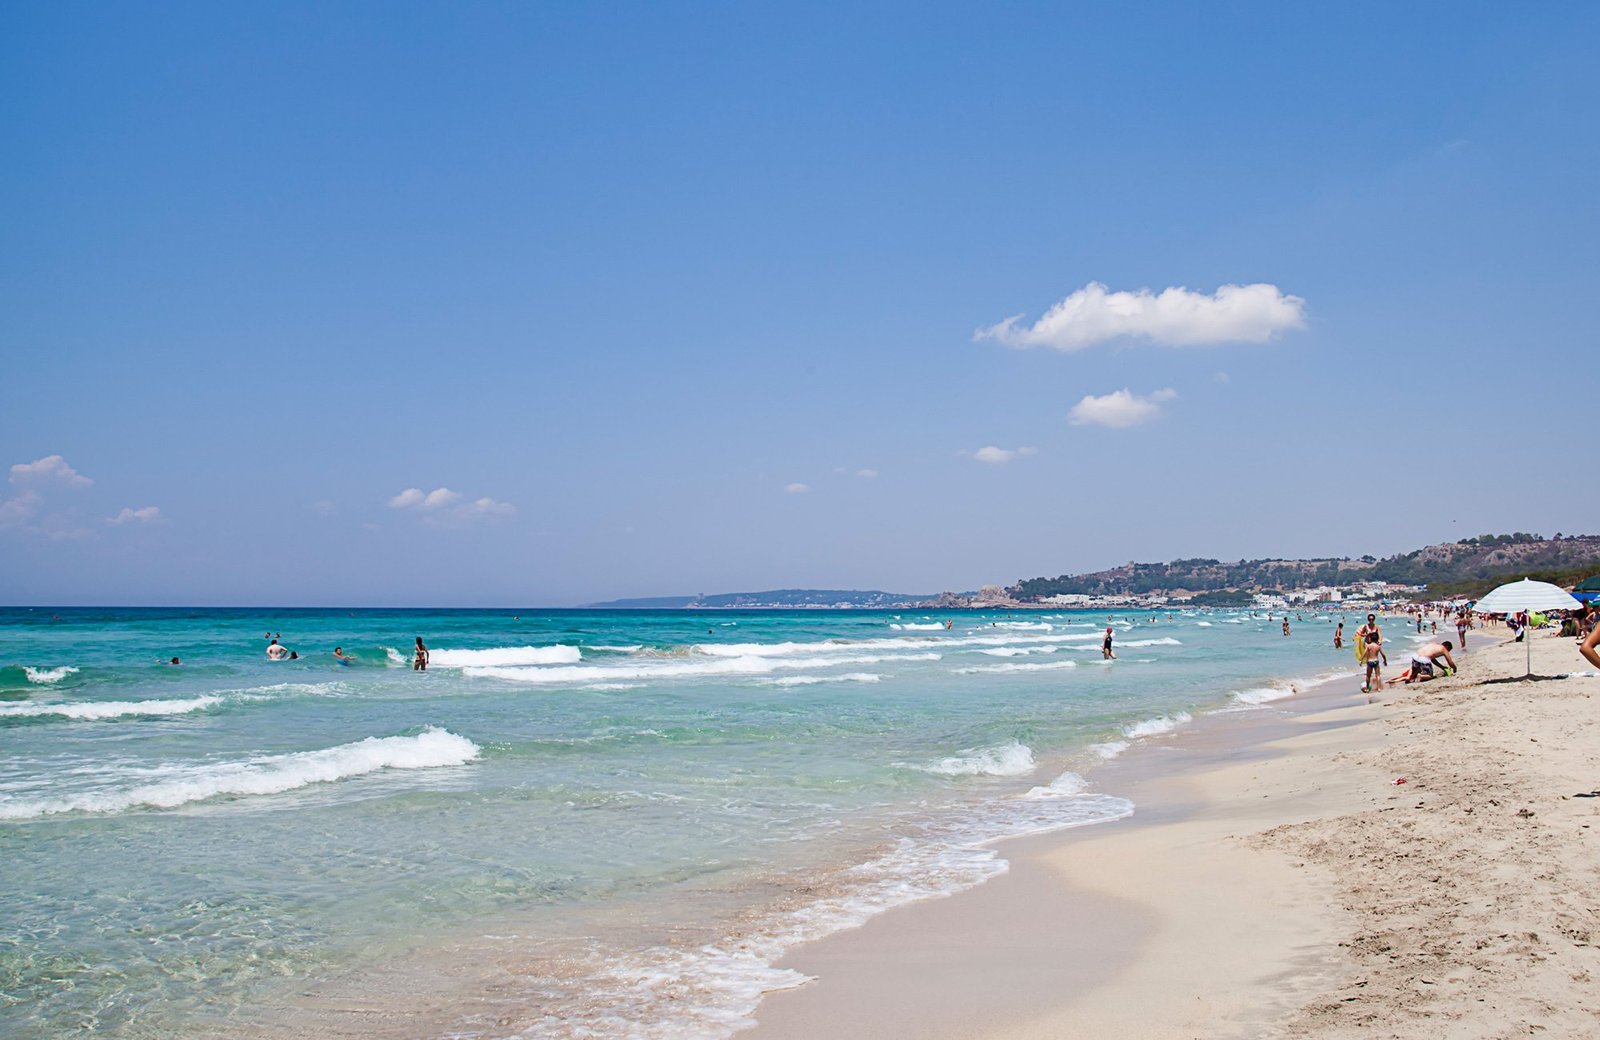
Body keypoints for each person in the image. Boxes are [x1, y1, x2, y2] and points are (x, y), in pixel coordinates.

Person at [1362, 629, 1384, 693]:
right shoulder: (1378, 646)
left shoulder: (1368, 646)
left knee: (1368, 675)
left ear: (1370, 639)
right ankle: (1379, 688)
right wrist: (1384, 660)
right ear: (1377, 639)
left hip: (1370, 662)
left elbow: (1364, 653)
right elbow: (1383, 654)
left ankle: (1367, 688)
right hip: (1376, 661)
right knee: (1378, 675)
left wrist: (1361, 660)